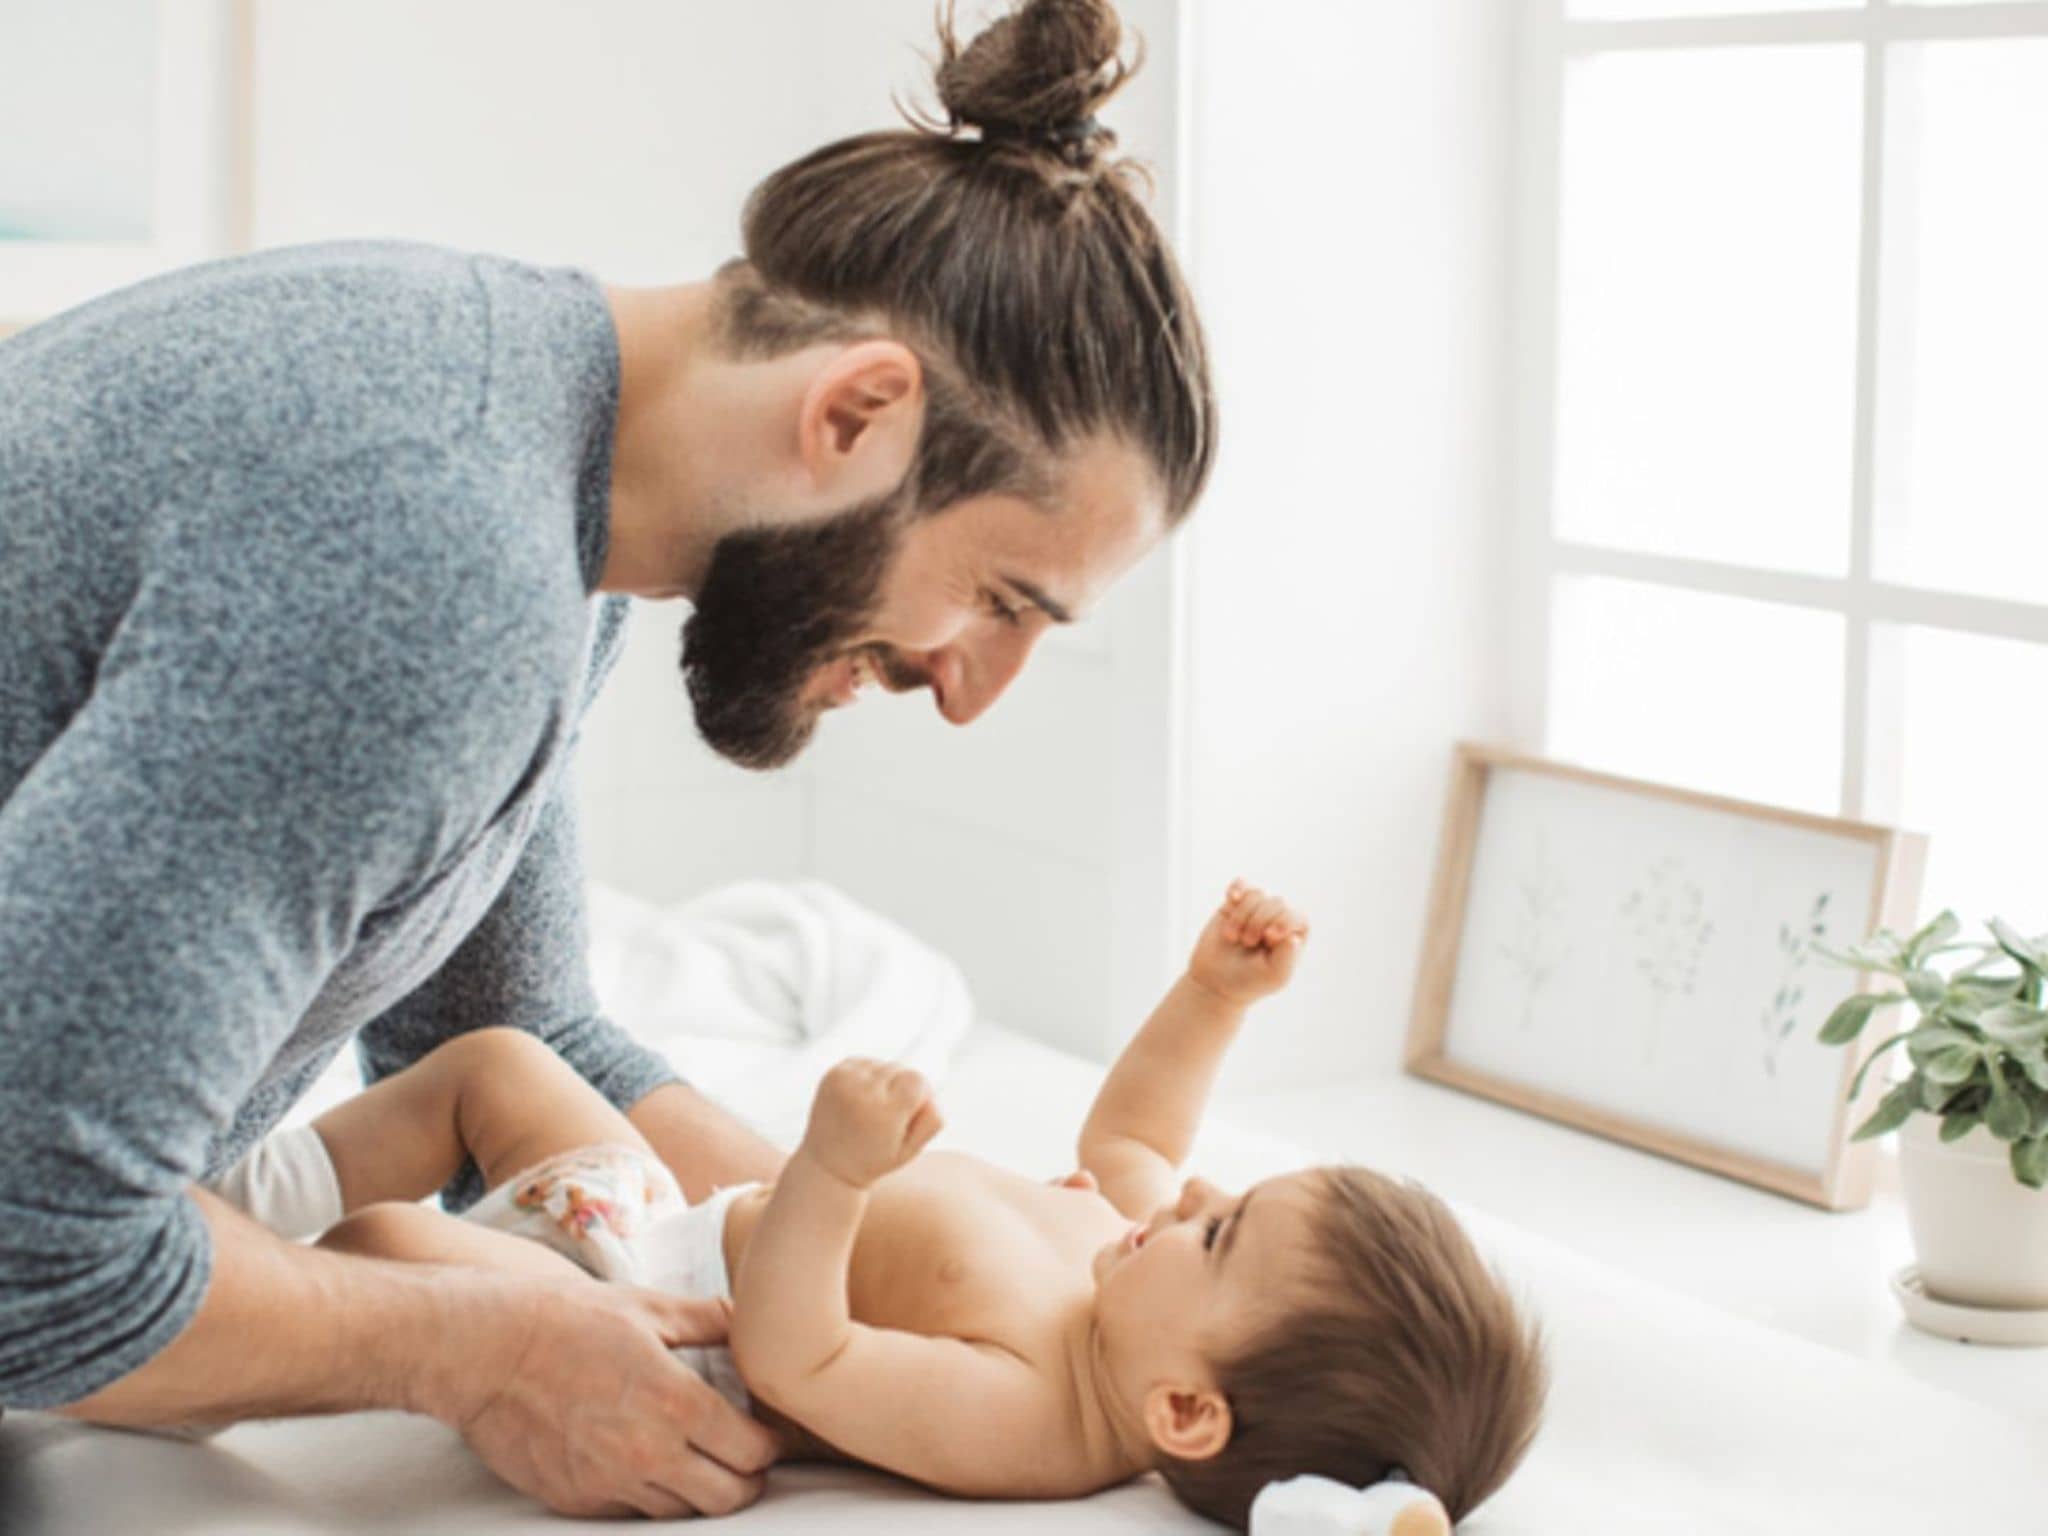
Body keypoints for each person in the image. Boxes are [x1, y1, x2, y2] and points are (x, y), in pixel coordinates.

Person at [0, 0, 1214, 1519]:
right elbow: (30, 1258)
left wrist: (845, 1228)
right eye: (999, 600)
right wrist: (482, 1353)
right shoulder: (432, 569)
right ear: (857, 412)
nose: (970, 692)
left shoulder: (536, 456)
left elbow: (520, 1027)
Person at [265, 883, 1549, 1530]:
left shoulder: (1039, 1412)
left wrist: (828, 1171)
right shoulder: (1130, 1261)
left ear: (1184, 1411)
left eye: (1222, 1232)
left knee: (394, 1247)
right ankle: (242, 1196)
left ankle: (224, 1281)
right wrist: (1214, 999)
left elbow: (797, 1355)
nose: (1198, 1193)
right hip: (658, 1225)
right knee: (498, 1066)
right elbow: (1137, 1133)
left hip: (633, 1340)